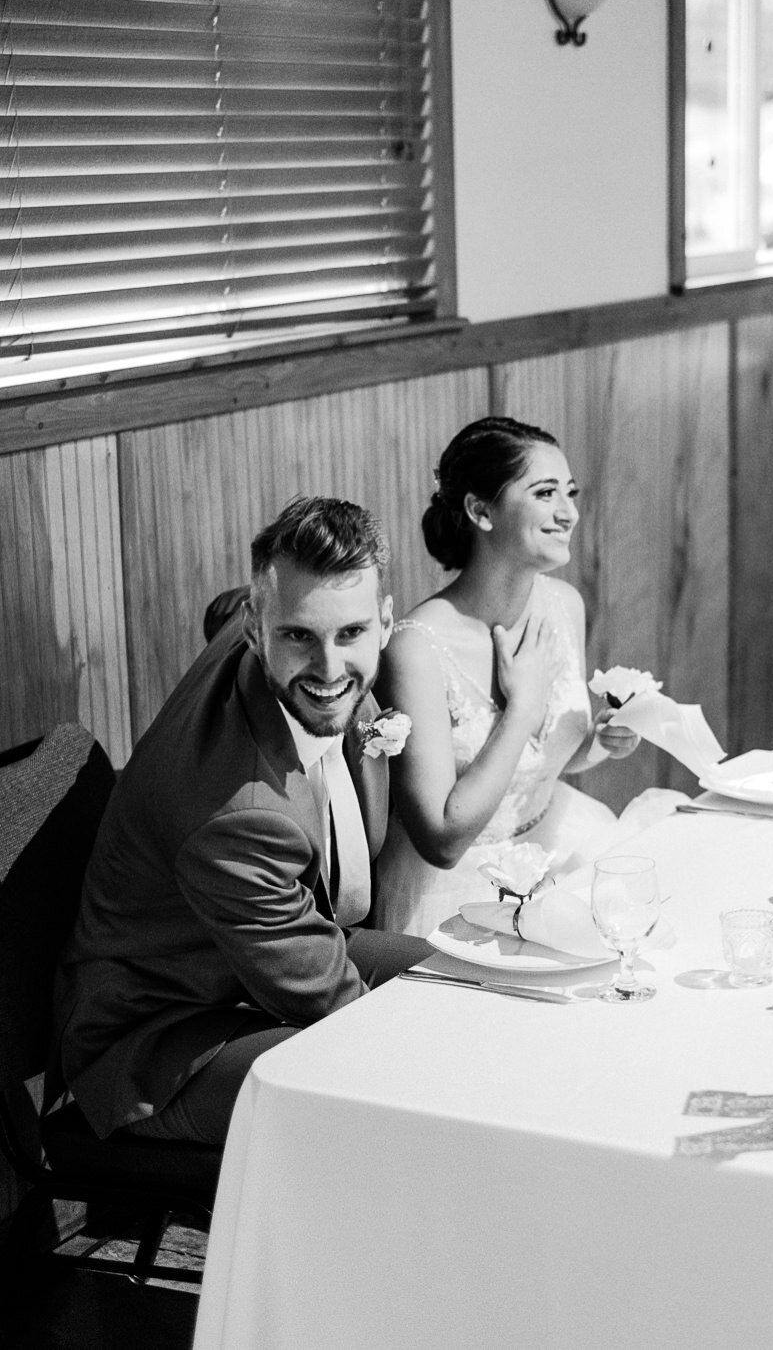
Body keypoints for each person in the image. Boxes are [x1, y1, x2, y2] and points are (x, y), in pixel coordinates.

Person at [52, 498, 432, 1145]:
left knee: (452, 983)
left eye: (350, 633)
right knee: (374, 1089)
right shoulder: (238, 816)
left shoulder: (259, 616)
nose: (331, 669)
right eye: (299, 636)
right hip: (156, 1037)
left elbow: (223, 605)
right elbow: (331, 1003)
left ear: (385, 622)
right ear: (258, 628)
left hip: (235, 963)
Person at [371, 416, 638, 937]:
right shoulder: (416, 649)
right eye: (544, 493)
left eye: (571, 493)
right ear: (480, 510)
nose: (569, 513)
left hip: (559, 849)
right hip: (456, 896)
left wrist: (602, 741)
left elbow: (541, 767)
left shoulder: (564, 606)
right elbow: (442, 840)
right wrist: (521, 711)